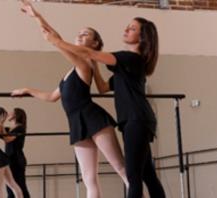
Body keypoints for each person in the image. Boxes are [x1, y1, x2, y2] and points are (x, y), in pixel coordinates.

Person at [12, 1, 128, 198]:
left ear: (95, 44)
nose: (79, 35)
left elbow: (56, 40)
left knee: (121, 169)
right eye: (79, 33)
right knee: (88, 178)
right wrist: (28, 90)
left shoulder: (85, 64)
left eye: (86, 34)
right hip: (76, 123)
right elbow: (51, 97)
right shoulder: (72, 70)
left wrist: (39, 19)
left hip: (93, 118)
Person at [42, 16, 166, 198]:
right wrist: (93, 64)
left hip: (136, 120)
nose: (126, 30)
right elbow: (102, 87)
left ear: (142, 37)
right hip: (137, 120)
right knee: (148, 175)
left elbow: (90, 54)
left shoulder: (130, 58)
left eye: (131, 28)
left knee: (133, 176)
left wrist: (58, 42)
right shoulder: (126, 67)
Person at [2, 108, 30, 198]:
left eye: (11, 112)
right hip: (10, 160)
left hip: (16, 161)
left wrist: (0, 125)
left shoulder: (20, 128)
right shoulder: (11, 128)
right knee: (11, 188)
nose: (9, 114)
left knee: (20, 187)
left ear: (16, 115)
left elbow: (7, 139)